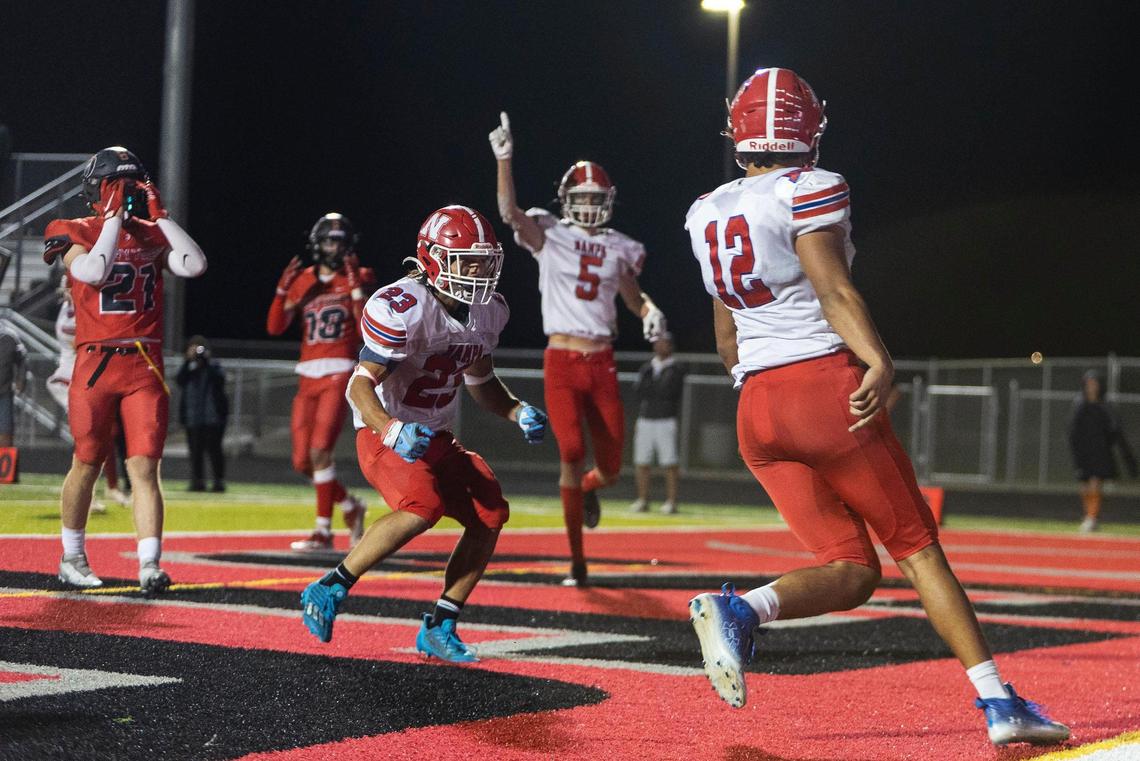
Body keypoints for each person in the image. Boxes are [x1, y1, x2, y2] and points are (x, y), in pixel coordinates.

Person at [683, 69, 1068, 746]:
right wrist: (877, 357)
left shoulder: (705, 208)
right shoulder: (812, 187)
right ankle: (999, 702)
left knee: (854, 569)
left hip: (756, 405)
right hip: (821, 388)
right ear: (811, 128)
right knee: (920, 552)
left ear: (737, 130)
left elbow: (725, 336)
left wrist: (764, 387)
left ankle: (740, 608)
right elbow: (832, 289)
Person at [300, 204, 548, 662]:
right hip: (385, 430)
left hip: (436, 435)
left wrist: (515, 411)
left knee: (491, 512)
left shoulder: (488, 311)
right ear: (433, 259)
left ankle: (440, 624)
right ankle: (329, 587)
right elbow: (360, 384)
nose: (477, 272)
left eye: (484, 261)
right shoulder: (403, 306)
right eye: (465, 261)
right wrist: (391, 430)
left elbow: (481, 381)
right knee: (423, 505)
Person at [490, 112, 667, 586]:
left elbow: (633, 296)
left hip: (602, 360)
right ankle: (577, 561)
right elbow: (509, 212)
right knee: (569, 450)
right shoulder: (550, 234)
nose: (588, 206)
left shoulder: (622, 248)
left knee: (609, 468)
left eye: (595, 199)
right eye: (581, 198)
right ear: (566, 201)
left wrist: (648, 311)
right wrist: (505, 159)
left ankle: (591, 490)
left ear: (607, 202)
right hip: (562, 359)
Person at [42, 146, 207, 592]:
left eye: (132, 185)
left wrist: (163, 216)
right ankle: (71, 556)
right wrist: (113, 218)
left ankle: (150, 564)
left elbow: (194, 264)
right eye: (118, 184)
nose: (126, 193)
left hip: (143, 365)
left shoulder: (152, 234)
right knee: (88, 461)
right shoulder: (71, 229)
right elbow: (93, 271)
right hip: (95, 363)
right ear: (96, 189)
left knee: (145, 469)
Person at [267, 213, 372, 552]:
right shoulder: (304, 280)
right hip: (307, 372)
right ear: (317, 243)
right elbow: (274, 327)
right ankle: (350, 506)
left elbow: (364, 330)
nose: (335, 247)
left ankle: (323, 532)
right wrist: (282, 289)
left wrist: (357, 289)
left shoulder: (360, 276)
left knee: (319, 452)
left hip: (339, 369)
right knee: (302, 462)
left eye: (340, 241)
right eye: (329, 240)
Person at [46, 278, 129, 511]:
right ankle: (89, 494)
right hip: (70, 378)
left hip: (88, 375)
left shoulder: (84, 305)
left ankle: (111, 487)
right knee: (89, 435)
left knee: (107, 432)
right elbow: (77, 343)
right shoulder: (71, 309)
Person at [1069, 370, 1136, 533]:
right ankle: (1089, 515)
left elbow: (1115, 429)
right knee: (1085, 486)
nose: (1092, 387)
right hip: (1084, 452)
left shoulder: (1105, 405)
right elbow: (1072, 429)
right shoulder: (1079, 405)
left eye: (1095, 384)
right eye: (1089, 384)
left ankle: (1091, 517)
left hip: (1100, 451)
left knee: (1095, 483)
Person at [629, 332, 687, 515]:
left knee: (669, 462)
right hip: (646, 418)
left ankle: (671, 501)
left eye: (664, 343)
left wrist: (653, 388)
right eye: (657, 343)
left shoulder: (676, 368)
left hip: (665, 419)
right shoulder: (647, 368)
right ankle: (642, 499)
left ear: (670, 346)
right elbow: (638, 391)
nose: (660, 346)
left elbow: (668, 390)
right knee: (642, 461)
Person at [176, 335, 229, 493]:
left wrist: (205, 362)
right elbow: (180, 380)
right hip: (193, 417)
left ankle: (218, 481)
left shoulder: (214, 366)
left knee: (215, 450)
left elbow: (220, 380)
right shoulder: (188, 367)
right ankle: (197, 481)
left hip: (213, 417)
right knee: (195, 451)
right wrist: (188, 361)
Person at [0, 318, 26, 448]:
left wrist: (21, 380)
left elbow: (21, 360)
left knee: (6, 432)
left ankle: (4, 466)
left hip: (4, 391)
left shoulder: (10, 337)